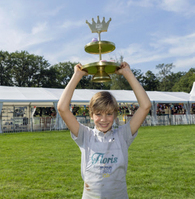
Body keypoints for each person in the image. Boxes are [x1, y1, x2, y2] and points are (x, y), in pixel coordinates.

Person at [57, 62, 151, 199]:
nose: (104, 119)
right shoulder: (85, 135)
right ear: (91, 115)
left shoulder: (123, 135)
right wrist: (77, 75)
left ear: (115, 114)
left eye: (109, 114)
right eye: (98, 114)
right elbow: (62, 108)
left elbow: (145, 106)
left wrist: (127, 73)